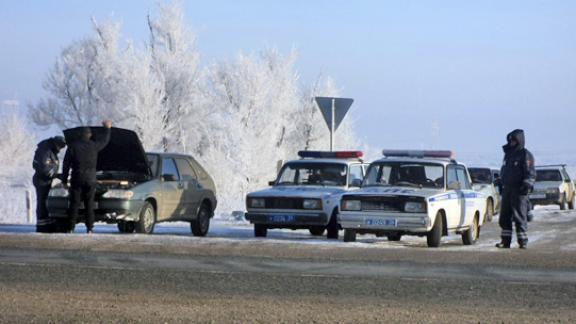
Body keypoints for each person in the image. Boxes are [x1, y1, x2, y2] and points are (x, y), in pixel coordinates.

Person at [61, 120, 112, 233]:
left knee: (74, 203)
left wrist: (64, 180)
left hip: (77, 178)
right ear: (89, 136)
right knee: (89, 204)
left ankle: (71, 227)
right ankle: (90, 228)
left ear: (79, 135)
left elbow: (66, 165)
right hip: (90, 179)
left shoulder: (72, 147)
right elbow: (105, 141)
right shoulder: (94, 146)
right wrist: (107, 129)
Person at [496, 129, 536, 249]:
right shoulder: (508, 155)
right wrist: (500, 181)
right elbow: (505, 171)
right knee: (504, 216)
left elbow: (531, 172)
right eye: (510, 141)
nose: (511, 143)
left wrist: (527, 184)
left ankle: (522, 241)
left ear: (519, 141)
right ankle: (505, 241)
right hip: (507, 190)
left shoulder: (525, 154)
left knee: (519, 215)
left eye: (513, 141)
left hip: (519, 190)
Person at [32, 136, 67, 233]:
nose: (60, 150)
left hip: (46, 180)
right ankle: (42, 226)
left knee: (46, 202)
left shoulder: (50, 150)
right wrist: (56, 175)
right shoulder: (45, 150)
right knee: (42, 202)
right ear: (56, 144)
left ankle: (48, 224)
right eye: (60, 147)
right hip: (41, 180)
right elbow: (43, 168)